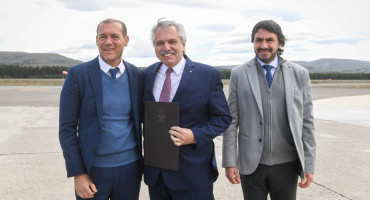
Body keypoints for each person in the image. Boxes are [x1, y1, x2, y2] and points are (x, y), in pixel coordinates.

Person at [222, 20, 316, 200]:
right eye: (258, 40)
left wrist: (309, 165)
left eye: (269, 40)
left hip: (287, 164)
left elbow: (307, 122)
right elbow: (231, 122)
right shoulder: (239, 74)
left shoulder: (299, 74)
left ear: (279, 43)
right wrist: (230, 162)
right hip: (251, 164)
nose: (263, 45)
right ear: (253, 43)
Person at [143, 19, 232, 200]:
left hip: (193, 174)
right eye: (160, 43)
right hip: (157, 174)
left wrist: (194, 135)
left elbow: (222, 118)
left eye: (172, 41)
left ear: (183, 44)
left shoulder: (207, 75)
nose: (166, 47)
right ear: (154, 47)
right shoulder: (146, 75)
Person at [59, 18, 143, 200]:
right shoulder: (78, 75)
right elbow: (66, 128)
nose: (108, 42)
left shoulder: (137, 75)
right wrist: (78, 173)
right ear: (96, 40)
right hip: (93, 170)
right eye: (102, 36)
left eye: (115, 36)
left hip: (129, 169)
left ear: (126, 41)